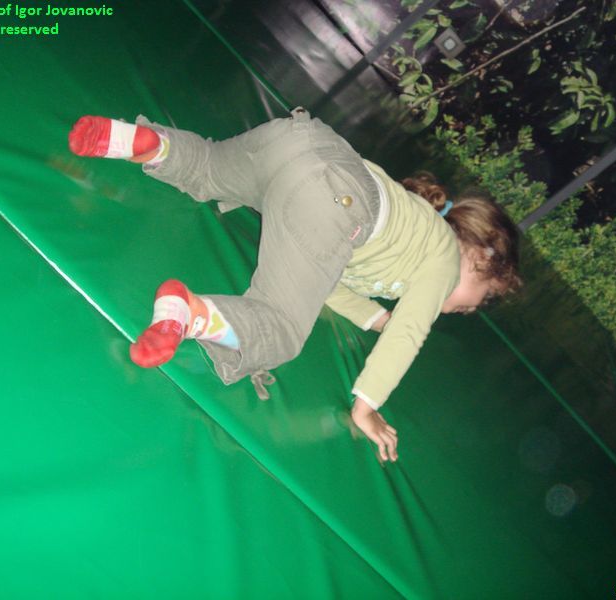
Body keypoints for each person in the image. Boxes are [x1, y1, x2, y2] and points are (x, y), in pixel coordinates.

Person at [68, 108, 521, 463]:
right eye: (475, 302)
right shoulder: (443, 263)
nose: (463, 309)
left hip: (297, 142)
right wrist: (366, 407)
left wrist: (373, 316)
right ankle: (190, 313)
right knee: (282, 329)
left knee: (206, 167)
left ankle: (143, 142)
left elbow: (326, 276)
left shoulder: (412, 229)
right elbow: (409, 334)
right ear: (479, 259)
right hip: (334, 200)